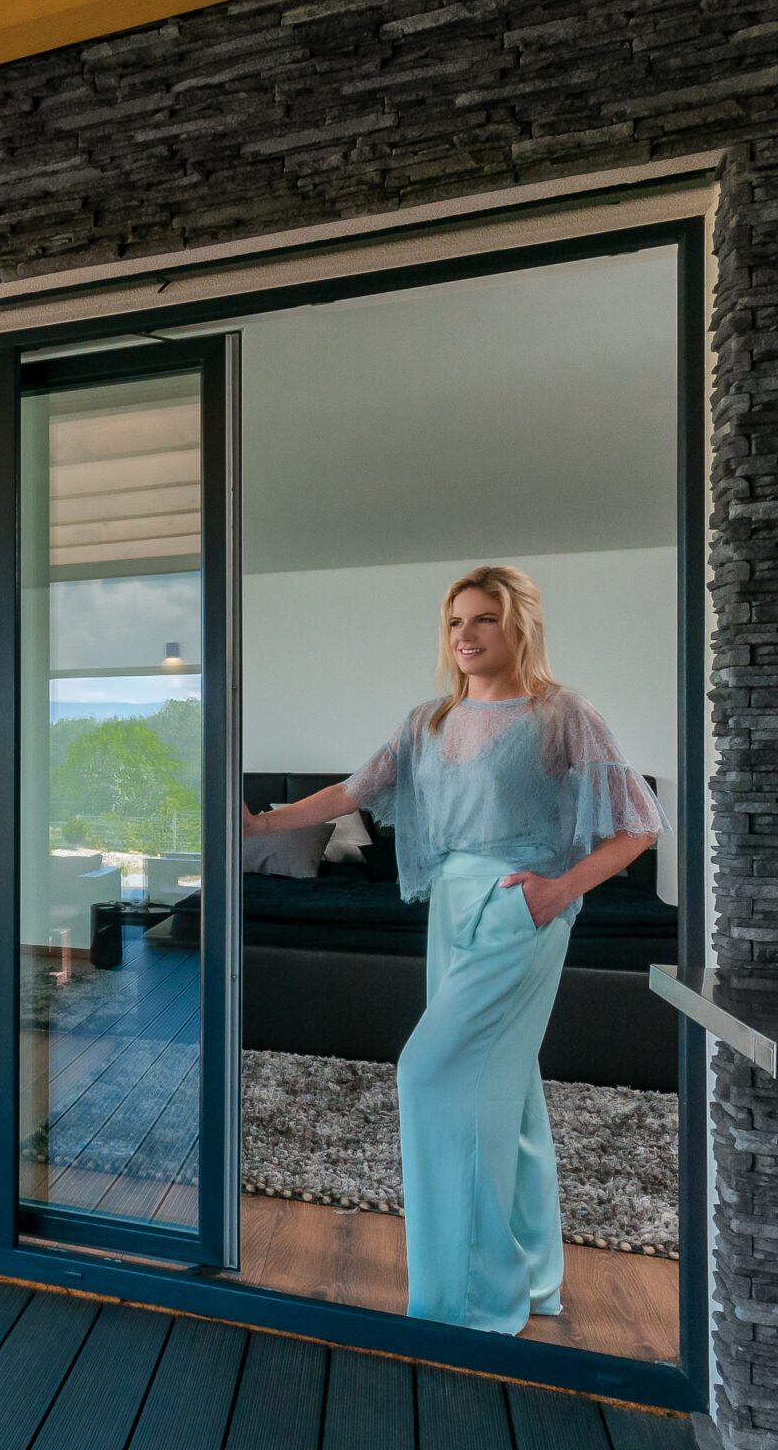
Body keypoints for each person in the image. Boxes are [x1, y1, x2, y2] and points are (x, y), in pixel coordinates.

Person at [242, 565, 661, 1334]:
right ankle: (534, 1280)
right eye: (456, 622)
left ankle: (469, 1304)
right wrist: (261, 824)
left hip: (520, 909)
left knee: (428, 1072)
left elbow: (640, 823)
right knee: (511, 1095)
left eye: (484, 620)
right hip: (452, 908)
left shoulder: (561, 714)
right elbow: (352, 792)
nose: (466, 635)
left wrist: (559, 892)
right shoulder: (427, 721)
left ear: (519, 627)